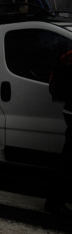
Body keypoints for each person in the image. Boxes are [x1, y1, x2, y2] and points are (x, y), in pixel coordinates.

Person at [46, 45, 72, 216]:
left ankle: (55, 200)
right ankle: (54, 202)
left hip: (69, 109)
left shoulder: (68, 55)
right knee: (69, 161)